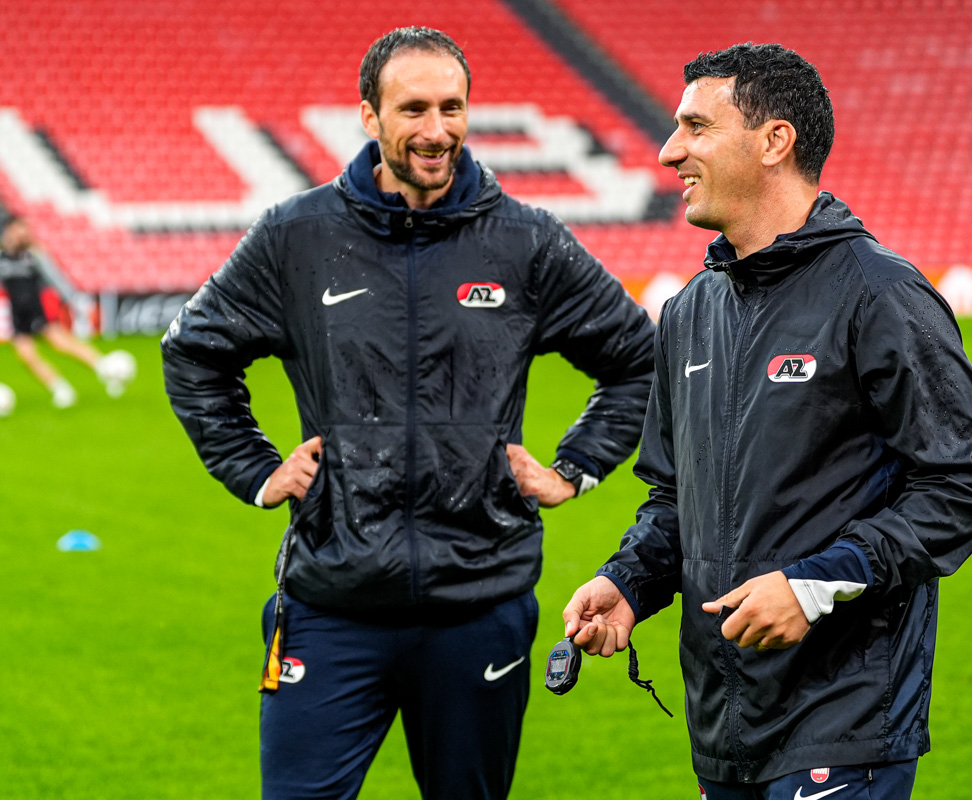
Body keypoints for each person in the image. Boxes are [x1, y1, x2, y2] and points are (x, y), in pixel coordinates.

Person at [160, 26, 655, 800]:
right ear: (369, 115)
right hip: (331, 602)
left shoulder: (525, 241)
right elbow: (194, 352)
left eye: (452, 108)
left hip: (480, 602)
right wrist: (255, 470)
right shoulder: (297, 237)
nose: (436, 130)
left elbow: (638, 361)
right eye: (414, 109)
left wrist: (575, 468)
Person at [563, 43, 972, 799]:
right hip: (724, 724)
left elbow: (959, 488)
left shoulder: (881, 295)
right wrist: (629, 581)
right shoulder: (689, 311)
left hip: (844, 718)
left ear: (774, 141)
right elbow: (673, 497)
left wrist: (813, 585)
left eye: (697, 127)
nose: (669, 152)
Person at [0, 215, 136, 407]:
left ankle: (106, 369)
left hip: (39, 311)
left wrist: (73, 301)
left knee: (61, 344)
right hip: (18, 315)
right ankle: (61, 389)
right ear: (8, 232)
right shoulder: (3, 260)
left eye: (23, 229)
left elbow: (55, 279)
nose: (21, 233)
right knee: (26, 356)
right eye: (17, 229)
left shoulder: (33, 256)